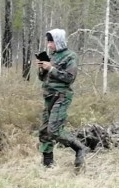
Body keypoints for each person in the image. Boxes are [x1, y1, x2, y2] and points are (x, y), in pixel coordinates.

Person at [36, 28, 87, 168]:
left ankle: (79, 148)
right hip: (48, 96)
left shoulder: (70, 56)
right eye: (48, 41)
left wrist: (51, 69)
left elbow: (69, 78)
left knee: (54, 130)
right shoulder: (51, 56)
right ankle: (47, 163)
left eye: (51, 41)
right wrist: (42, 68)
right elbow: (42, 78)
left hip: (61, 97)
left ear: (58, 41)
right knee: (44, 130)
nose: (49, 44)